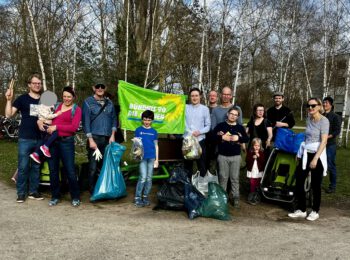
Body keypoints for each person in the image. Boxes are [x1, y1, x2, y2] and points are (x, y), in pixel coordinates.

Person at [5, 73, 44, 203]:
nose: (37, 85)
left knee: (36, 167)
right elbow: (9, 114)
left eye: (39, 83)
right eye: (34, 83)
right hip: (25, 138)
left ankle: (33, 191)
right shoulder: (22, 99)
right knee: (23, 166)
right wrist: (9, 100)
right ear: (29, 85)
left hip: (40, 138)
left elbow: (50, 116)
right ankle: (21, 193)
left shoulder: (45, 99)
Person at [288, 98, 329, 221]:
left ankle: (315, 211)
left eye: (313, 105)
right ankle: (302, 209)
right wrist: (300, 153)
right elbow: (306, 138)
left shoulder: (324, 121)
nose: (310, 108)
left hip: (318, 155)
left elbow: (324, 141)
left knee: (315, 185)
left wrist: (315, 158)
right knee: (299, 180)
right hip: (306, 153)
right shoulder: (308, 119)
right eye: (308, 106)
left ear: (319, 106)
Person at [40, 86, 82, 207]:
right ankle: (55, 196)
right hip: (52, 142)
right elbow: (47, 117)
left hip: (66, 142)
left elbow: (73, 128)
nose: (66, 99)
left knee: (70, 170)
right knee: (53, 170)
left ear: (73, 97)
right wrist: (43, 123)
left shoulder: (76, 109)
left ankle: (75, 197)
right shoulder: (57, 106)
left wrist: (57, 127)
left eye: (69, 96)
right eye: (64, 96)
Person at [82, 83, 117, 193]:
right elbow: (86, 122)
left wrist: (113, 135)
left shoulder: (110, 102)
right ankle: (92, 190)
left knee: (105, 166)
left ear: (105, 88)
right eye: (97, 87)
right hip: (95, 139)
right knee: (93, 167)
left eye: (102, 87)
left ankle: (103, 189)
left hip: (107, 139)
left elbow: (114, 120)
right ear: (93, 88)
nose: (100, 89)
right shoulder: (88, 102)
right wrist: (90, 140)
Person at [213, 107, 249, 208]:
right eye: (231, 114)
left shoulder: (240, 127)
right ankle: (222, 198)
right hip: (223, 156)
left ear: (237, 117)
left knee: (234, 178)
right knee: (223, 178)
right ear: (228, 114)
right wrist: (221, 137)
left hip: (235, 156)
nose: (233, 116)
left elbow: (246, 138)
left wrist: (239, 138)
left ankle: (235, 197)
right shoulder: (221, 126)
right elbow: (212, 137)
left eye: (235, 115)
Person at [183, 88, 211, 178]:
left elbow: (208, 125)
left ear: (200, 97)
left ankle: (201, 187)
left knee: (202, 165)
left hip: (200, 140)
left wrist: (199, 132)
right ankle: (188, 187)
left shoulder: (205, 109)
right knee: (187, 165)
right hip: (187, 141)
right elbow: (182, 123)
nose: (194, 98)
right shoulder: (185, 107)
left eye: (196, 95)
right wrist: (190, 132)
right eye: (192, 96)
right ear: (190, 97)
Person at [134, 110, 159, 207]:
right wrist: (136, 155)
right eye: (145, 120)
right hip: (142, 159)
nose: (147, 122)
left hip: (151, 158)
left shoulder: (154, 132)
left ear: (152, 120)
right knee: (143, 177)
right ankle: (137, 197)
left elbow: (156, 146)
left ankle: (145, 196)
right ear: (142, 120)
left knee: (149, 178)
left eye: (149, 120)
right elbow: (136, 145)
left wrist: (157, 159)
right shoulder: (138, 130)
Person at [322, 96, 341, 193]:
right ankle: (318, 183)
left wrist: (327, 137)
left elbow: (337, 131)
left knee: (330, 164)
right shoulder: (321, 115)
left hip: (330, 144)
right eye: (324, 102)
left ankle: (332, 186)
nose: (325, 104)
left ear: (331, 105)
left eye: (327, 103)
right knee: (319, 164)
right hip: (320, 144)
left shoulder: (336, 117)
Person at [246, 138, 265, 205]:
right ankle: (252, 195)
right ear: (252, 146)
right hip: (252, 171)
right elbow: (247, 161)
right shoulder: (250, 152)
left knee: (257, 183)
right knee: (252, 183)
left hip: (258, 171)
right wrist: (252, 157)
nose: (257, 147)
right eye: (255, 145)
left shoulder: (261, 153)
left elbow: (263, 162)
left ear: (260, 146)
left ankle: (257, 195)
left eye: (258, 146)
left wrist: (258, 156)